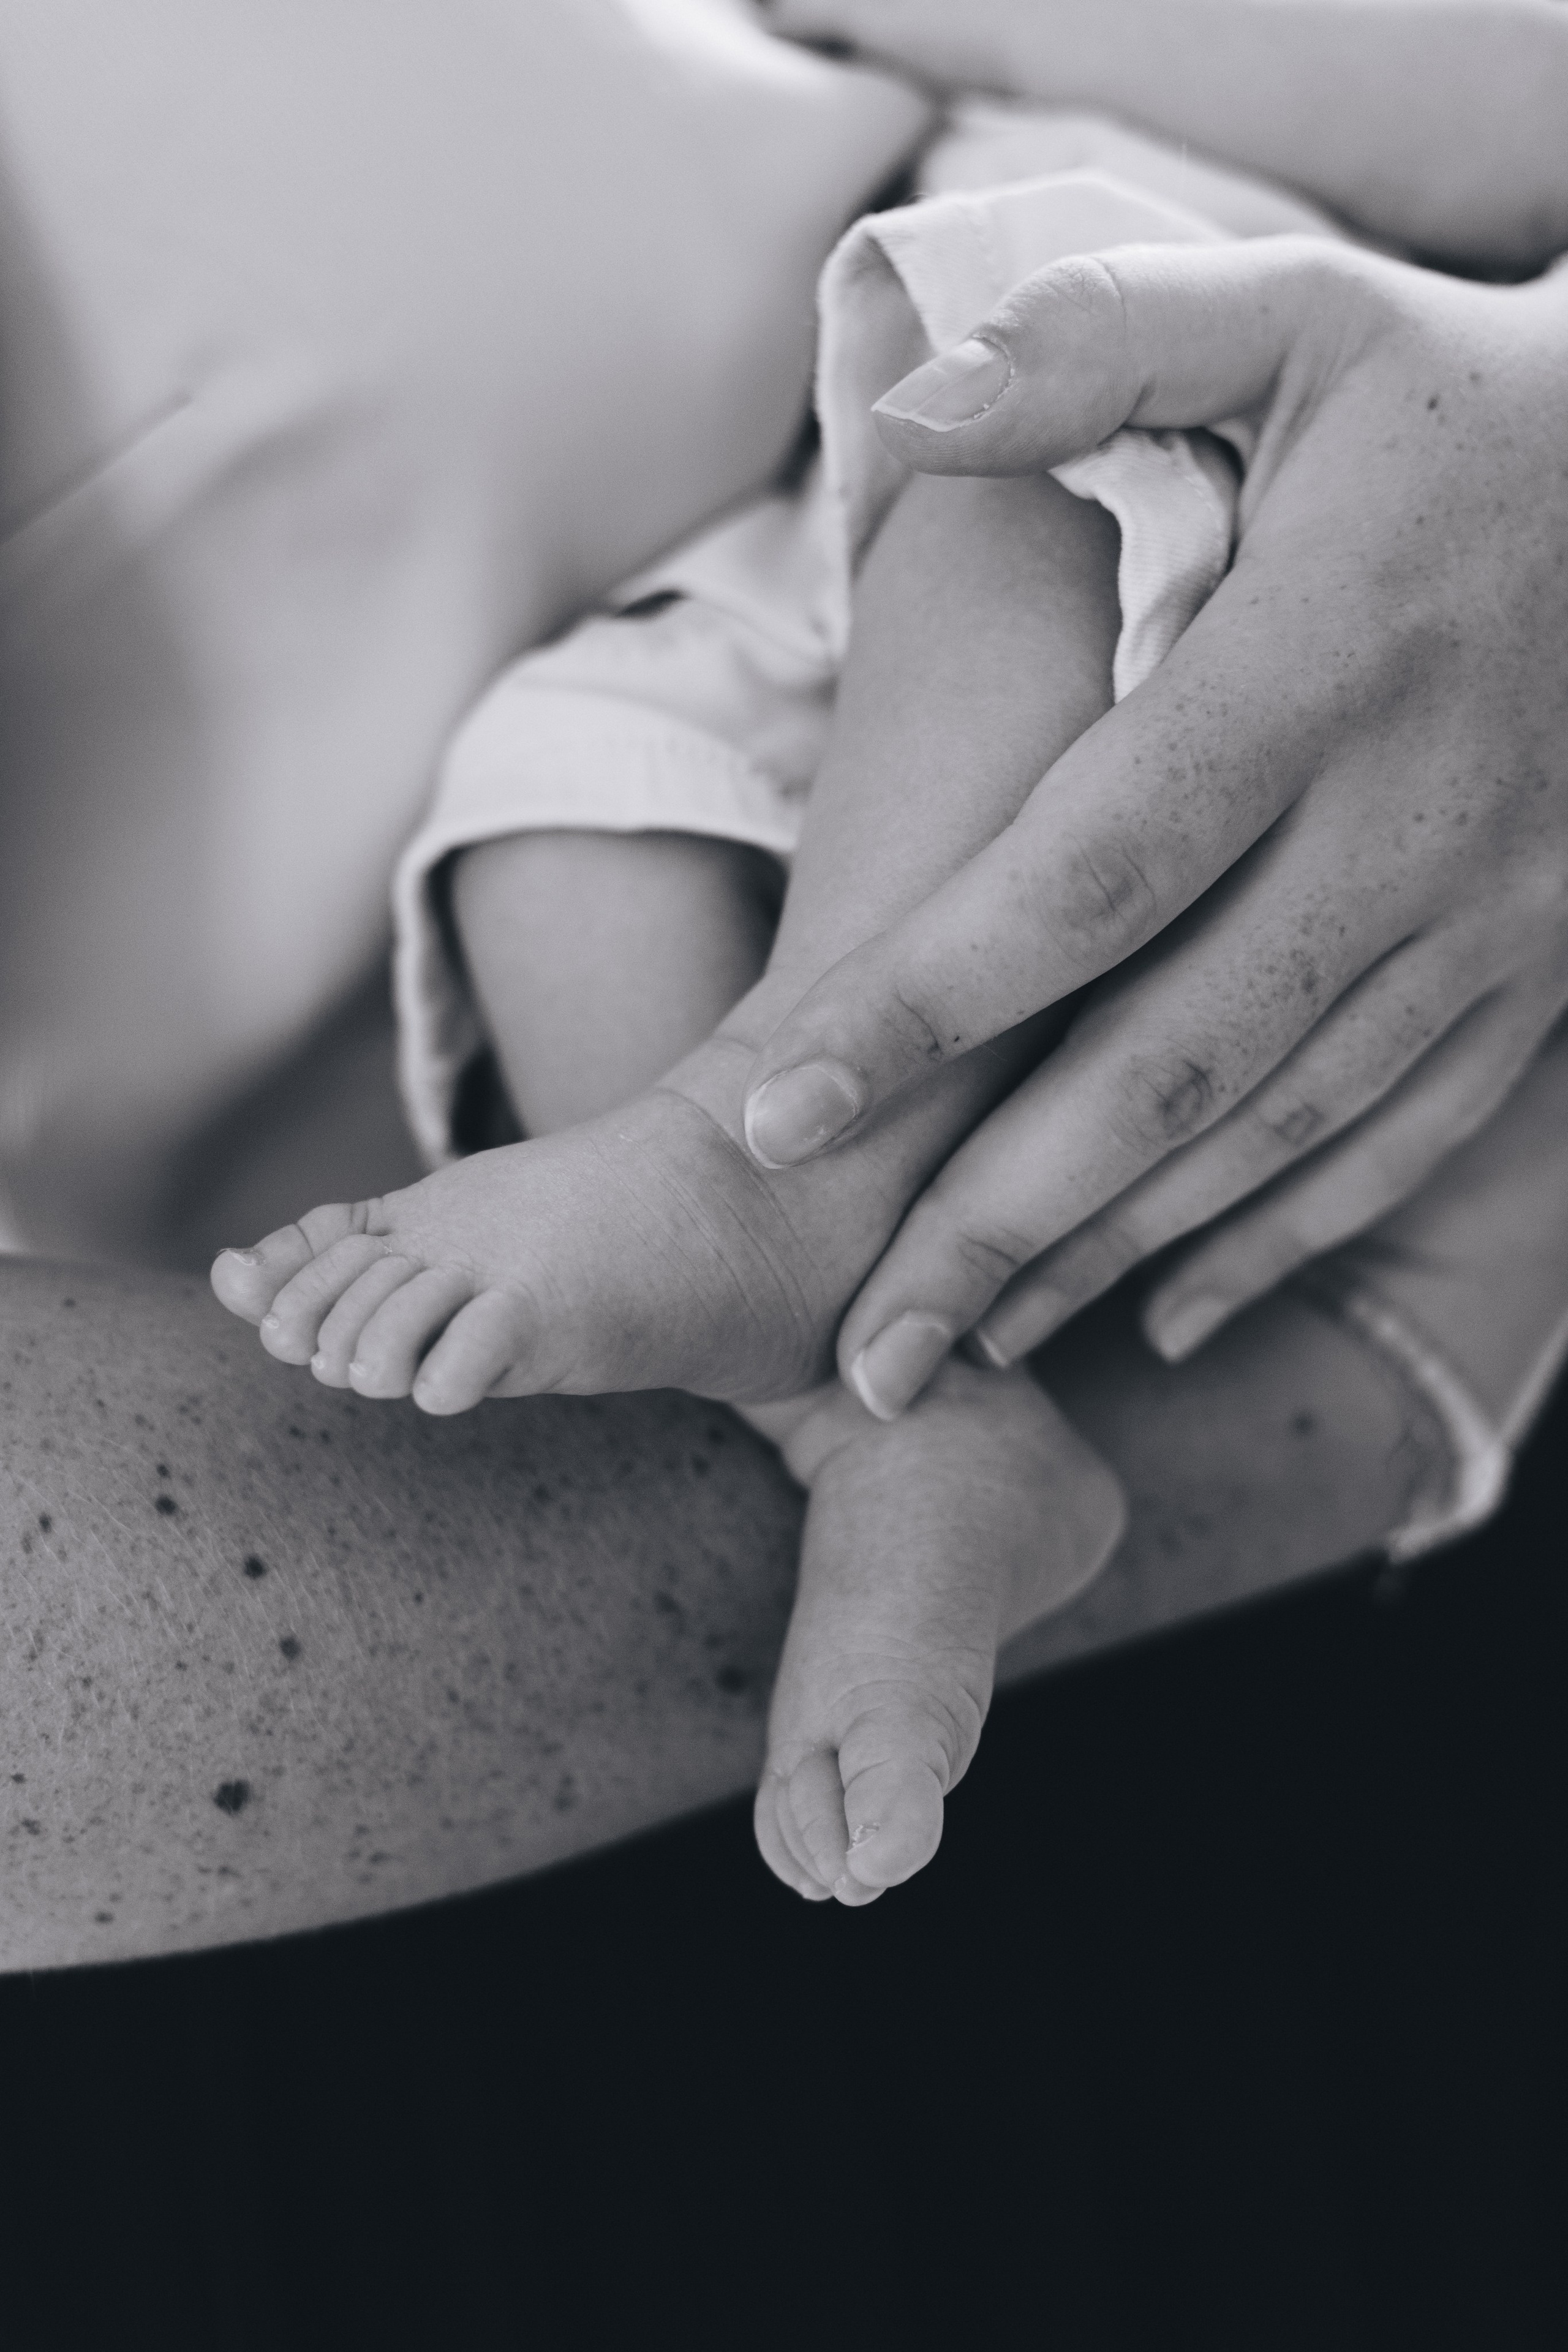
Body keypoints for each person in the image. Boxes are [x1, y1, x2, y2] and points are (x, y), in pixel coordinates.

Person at [2, 0, 1564, 1967]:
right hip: (701, 662)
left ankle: (789, 1217)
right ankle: (873, 1399)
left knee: (1005, 381)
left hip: (1105, 344)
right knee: (561, 827)